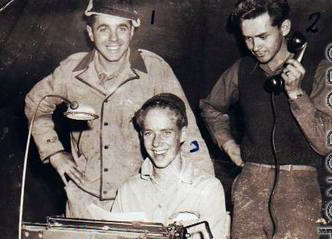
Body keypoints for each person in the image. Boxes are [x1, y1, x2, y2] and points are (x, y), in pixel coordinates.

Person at [200, 0, 332, 239]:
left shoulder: (320, 71)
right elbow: (211, 107)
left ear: (286, 30)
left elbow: (326, 142)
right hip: (250, 186)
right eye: (248, 39)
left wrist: (296, 93)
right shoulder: (241, 69)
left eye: (263, 36)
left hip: (298, 188)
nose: (255, 46)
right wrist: (228, 144)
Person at [24, 0, 214, 218]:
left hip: (140, 200)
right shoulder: (70, 72)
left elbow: (187, 130)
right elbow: (35, 104)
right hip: (84, 203)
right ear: (90, 33)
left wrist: (205, 190)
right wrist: (54, 152)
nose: (113, 38)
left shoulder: (153, 69)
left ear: (132, 32)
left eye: (121, 28)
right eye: (104, 28)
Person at [113, 93, 227, 239]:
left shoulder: (207, 189)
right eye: (149, 133)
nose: (157, 143)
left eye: (166, 132)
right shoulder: (128, 190)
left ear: (182, 135)